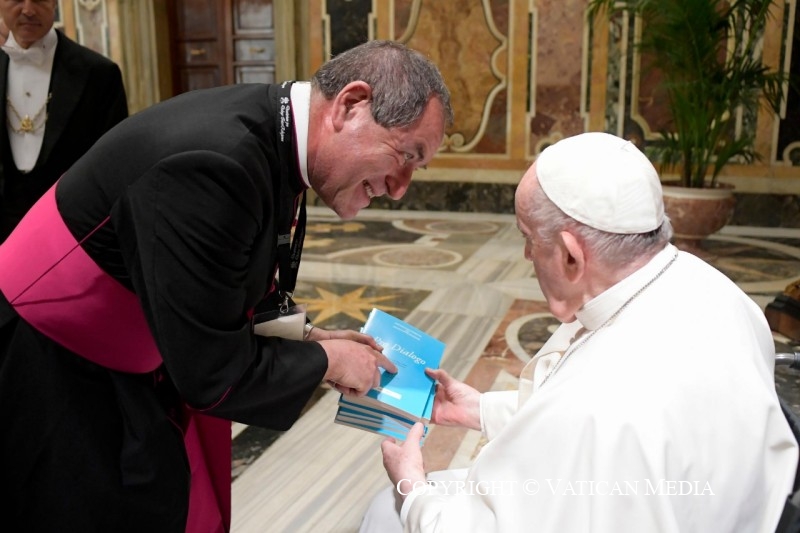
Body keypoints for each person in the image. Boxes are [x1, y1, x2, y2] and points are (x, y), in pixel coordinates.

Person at [0, 40, 452, 532]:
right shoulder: (213, 165)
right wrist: (327, 362)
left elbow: (220, 284)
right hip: (48, 363)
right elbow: (211, 374)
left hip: (124, 351)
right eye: (406, 154)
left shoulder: (271, 139)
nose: (402, 185)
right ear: (350, 105)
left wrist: (309, 339)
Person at [365, 132, 799, 532]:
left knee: (387, 511)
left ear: (572, 256)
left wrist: (411, 486)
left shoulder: (595, 404)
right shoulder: (718, 290)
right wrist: (478, 410)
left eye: (529, 238)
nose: (525, 253)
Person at [0, 0, 128, 241]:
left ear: (55, 3)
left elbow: (113, 164)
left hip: (71, 229)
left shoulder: (99, 74)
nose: (28, 9)